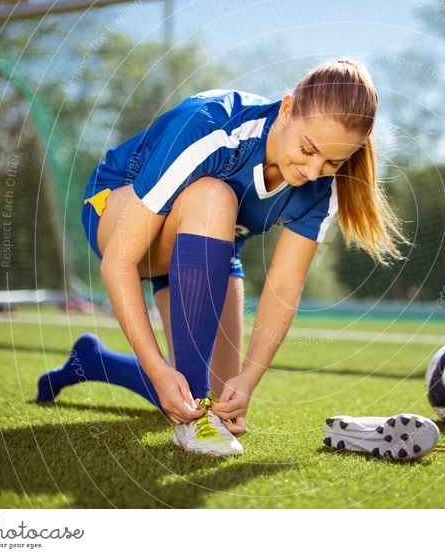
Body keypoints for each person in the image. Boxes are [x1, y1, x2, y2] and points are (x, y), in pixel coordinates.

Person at [37, 58, 405, 456]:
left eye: (333, 161)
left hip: (208, 247)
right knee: (214, 195)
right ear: (286, 108)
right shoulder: (213, 128)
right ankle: (194, 421)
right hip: (121, 216)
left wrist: (249, 378)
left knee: (220, 393)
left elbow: (283, 286)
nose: (315, 170)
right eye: (309, 149)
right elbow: (119, 262)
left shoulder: (324, 187)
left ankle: (95, 361)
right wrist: (158, 369)